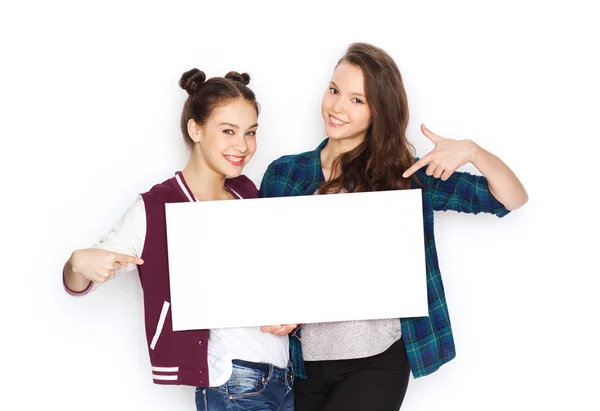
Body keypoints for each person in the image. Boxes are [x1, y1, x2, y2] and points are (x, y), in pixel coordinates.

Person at [259, 43, 528, 411]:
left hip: (376, 360)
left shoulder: (404, 177)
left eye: (358, 100)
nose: (337, 107)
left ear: (379, 111)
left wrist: (473, 151)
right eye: (335, 90)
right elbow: (265, 261)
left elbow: (510, 199)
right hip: (304, 365)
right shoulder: (284, 174)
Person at [63, 69, 295, 411]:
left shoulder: (247, 192)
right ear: (195, 129)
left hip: (282, 377)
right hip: (234, 382)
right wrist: (77, 263)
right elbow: (79, 280)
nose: (243, 146)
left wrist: (289, 312)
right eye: (228, 131)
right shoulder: (155, 207)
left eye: (250, 133)